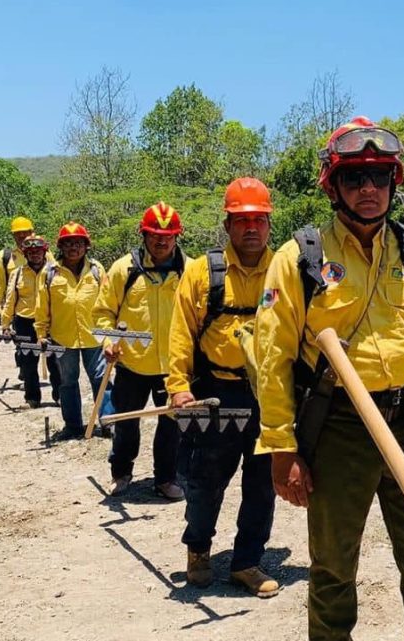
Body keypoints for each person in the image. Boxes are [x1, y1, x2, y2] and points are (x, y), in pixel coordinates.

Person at [254, 116, 404, 641]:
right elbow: (273, 358)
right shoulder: (300, 259)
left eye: (379, 176)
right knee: (332, 569)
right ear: (333, 185)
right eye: (355, 177)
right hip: (339, 432)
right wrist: (283, 449)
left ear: (394, 182)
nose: (368, 189)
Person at [167, 177, 279, 596]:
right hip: (215, 392)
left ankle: (247, 562)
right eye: (242, 220)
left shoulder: (285, 269)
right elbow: (179, 334)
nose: (251, 228)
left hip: (269, 394)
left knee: (263, 482)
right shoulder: (202, 272)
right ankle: (198, 550)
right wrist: (179, 387)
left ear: (269, 223)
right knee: (205, 479)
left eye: (259, 220)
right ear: (228, 225)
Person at [93, 202, 188, 500]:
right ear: (143, 235)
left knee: (172, 425)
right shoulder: (124, 269)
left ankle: (166, 479)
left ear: (177, 236)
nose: (162, 241)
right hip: (131, 363)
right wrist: (109, 343)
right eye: (155, 235)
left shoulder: (190, 270)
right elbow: (102, 313)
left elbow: (200, 315)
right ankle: (120, 473)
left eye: (168, 235)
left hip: (173, 366)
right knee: (126, 422)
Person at [35, 222, 112, 441]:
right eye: (68, 244)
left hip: (95, 336)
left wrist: (110, 332)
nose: (73, 248)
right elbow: (42, 306)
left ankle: (109, 421)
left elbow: (107, 301)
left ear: (86, 246)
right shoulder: (49, 273)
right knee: (67, 382)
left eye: (78, 243)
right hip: (63, 337)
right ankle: (73, 426)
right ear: (61, 247)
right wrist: (41, 333)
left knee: (101, 379)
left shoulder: (97, 270)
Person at [0, 234, 62, 408]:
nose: (35, 255)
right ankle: (32, 398)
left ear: (45, 252)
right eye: (31, 252)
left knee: (55, 361)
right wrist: (5, 325)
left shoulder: (55, 271)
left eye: (38, 251)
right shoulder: (17, 273)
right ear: (25, 254)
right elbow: (10, 300)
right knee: (27, 362)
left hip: (50, 322)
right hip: (24, 322)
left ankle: (60, 396)